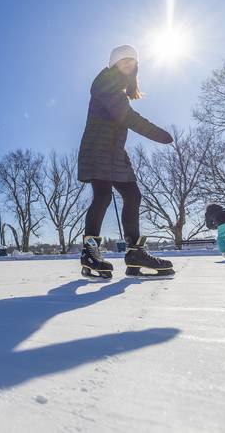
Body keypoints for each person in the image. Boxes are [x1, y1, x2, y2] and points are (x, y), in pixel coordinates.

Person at [77, 45, 175, 279]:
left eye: (132, 61)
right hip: (98, 149)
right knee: (102, 196)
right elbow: (126, 116)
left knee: (133, 195)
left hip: (115, 153)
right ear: (114, 64)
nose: (128, 64)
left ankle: (135, 253)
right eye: (123, 60)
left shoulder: (119, 87)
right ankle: (90, 252)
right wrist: (158, 133)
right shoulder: (106, 83)